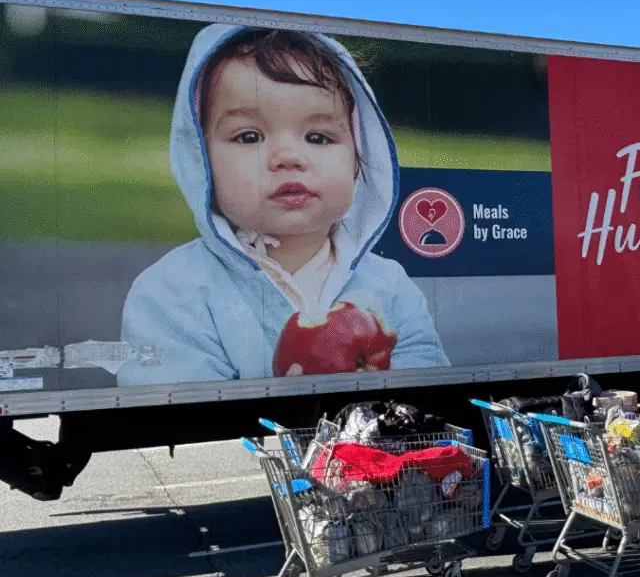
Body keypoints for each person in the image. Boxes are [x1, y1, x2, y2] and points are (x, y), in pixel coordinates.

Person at [117, 25, 448, 386]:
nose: (288, 157)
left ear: (358, 159)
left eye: (318, 137)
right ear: (201, 161)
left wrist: (386, 378)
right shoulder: (173, 291)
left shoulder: (390, 287)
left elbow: (432, 385)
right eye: (250, 136)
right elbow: (170, 406)